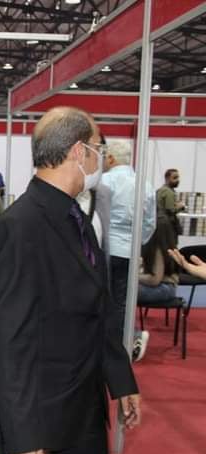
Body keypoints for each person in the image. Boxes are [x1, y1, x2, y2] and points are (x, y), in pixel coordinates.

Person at [0, 107, 141, 454]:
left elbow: (98, 308)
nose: (101, 158)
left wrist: (120, 380)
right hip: (31, 412)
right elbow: (10, 338)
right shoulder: (20, 226)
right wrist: (21, 435)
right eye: (98, 147)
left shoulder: (76, 218)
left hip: (81, 404)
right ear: (79, 151)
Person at [101, 138, 156, 344]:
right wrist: (136, 244)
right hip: (129, 251)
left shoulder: (104, 181)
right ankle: (123, 343)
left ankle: (104, 344)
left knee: (101, 298)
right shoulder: (145, 184)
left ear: (111, 158)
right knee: (123, 301)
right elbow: (150, 223)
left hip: (106, 248)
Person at [135, 217, 179, 361]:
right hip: (165, 287)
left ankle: (135, 335)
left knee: (123, 294)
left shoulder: (158, 248)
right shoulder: (166, 246)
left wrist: (133, 276)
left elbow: (154, 279)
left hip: (164, 289)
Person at [157, 168, 186, 237]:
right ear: (167, 179)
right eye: (174, 178)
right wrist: (181, 206)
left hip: (160, 223)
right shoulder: (168, 192)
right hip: (166, 224)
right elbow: (171, 210)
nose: (178, 180)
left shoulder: (161, 190)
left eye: (178, 177)